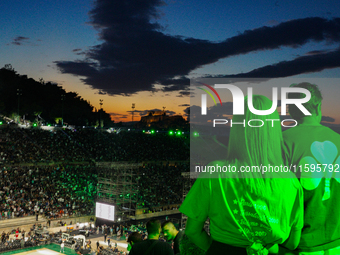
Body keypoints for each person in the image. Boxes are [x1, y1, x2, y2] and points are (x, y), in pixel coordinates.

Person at [180, 95, 304, 254]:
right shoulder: (291, 182)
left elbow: (192, 231)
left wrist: (219, 250)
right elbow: (293, 243)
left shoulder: (215, 173)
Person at [281, 82, 340, 254]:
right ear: (318, 106)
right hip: (336, 241)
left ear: (290, 109)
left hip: (300, 244)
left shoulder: (283, 142)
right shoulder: (338, 139)